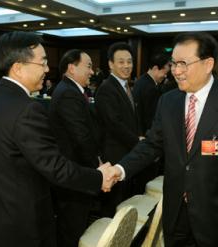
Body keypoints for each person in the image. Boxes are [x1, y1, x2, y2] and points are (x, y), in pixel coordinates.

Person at [107, 32, 218, 246]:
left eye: (183, 64)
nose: (176, 71)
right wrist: (120, 169)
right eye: (173, 64)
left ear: (208, 63)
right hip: (176, 211)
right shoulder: (168, 101)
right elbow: (152, 144)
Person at [0, 31, 117, 247]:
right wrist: (99, 178)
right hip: (22, 227)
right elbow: (55, 167)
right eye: (42, 63)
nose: (48, 70)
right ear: (18, 67)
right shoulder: (27, 109)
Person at [49, 49, 102, 247]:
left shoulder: (72, 91)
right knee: (71, 228)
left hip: (76, 172)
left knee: (75, 225)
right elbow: (81, 137)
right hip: (73, 176)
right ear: (72, 68)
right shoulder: (68, 94)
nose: (92, 71)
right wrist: (97, 169)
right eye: (88, 66)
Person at [95, 42, 144, 216]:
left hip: (127, 154)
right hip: (114, 155)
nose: (127, 66)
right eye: (121, 62)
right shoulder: (106, 89)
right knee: (113, 207)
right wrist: (137, 141)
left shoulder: (126, 86)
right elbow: (114, 124)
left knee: (125, 205)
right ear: (110, 64)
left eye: (129, 61)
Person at [133, 52, 170, 134]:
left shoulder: (141, 81)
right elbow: (151, 118)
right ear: (156, 68)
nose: (165, 76)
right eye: (165, 73)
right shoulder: (151, 88)